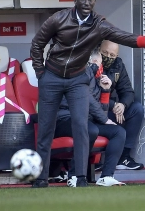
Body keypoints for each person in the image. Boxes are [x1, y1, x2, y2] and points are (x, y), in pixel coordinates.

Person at [30, 0, 145, 188]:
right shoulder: (59, 18)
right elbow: (37, 44)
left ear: (94, 1)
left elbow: (125, 37)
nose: (86, 2)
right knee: (46, 128)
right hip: (52, 77)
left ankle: (80, 178)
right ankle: (41, 178)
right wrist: (40, 73)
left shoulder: (100, 24)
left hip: (77, 79)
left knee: (81, 126)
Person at [54, 50, 126, 187]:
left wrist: (105, 91)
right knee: (90, 129)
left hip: (86, 120)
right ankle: (74, 175)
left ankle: (106, 176)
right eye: (99, 63)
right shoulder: (76, 74)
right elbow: (87, 100)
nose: (101, 67)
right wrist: (105, 121)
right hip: (65, 119)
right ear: (92, 63)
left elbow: (101, 112)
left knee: (118, 132)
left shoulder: (96, 80)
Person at [99, 40, 144, 170]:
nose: (108, 57)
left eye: (112, 55)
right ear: (98, 50)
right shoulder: (92, 62)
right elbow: (90, 95)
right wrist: (113, 104)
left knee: (137, 109)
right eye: (105, 53)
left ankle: (123, 157)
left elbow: (128, 91)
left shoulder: (118, 65)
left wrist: (122, 105)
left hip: (111, 110)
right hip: (94, 111)